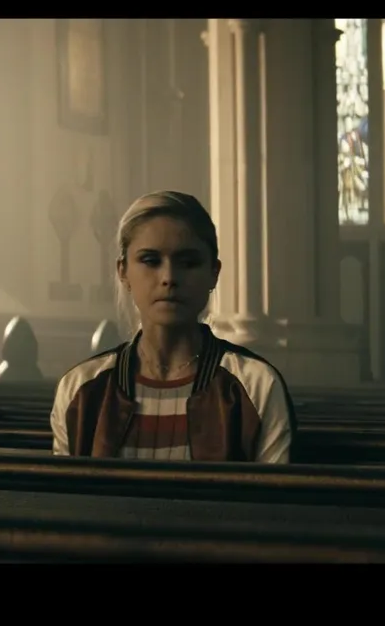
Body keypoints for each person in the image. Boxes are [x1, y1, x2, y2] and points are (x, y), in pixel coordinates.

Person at [50, 191, 296, 462]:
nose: (169, 277)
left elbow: (273, 490)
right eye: (150, 261)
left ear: (213, 273)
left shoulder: (255, 385)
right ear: (123, 271)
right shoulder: (81, 389)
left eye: (188, 263)